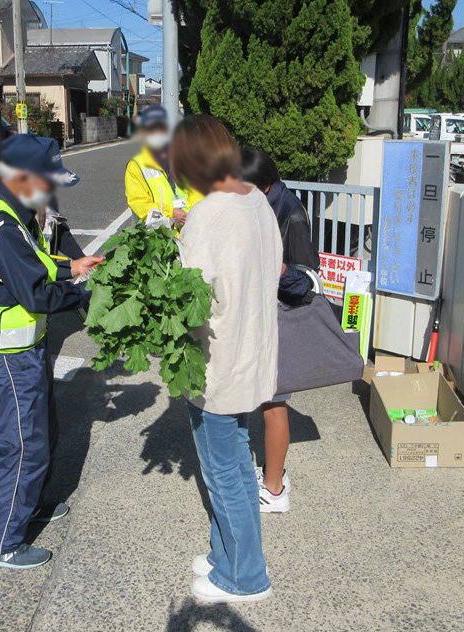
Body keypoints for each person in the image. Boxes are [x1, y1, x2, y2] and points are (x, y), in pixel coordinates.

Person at [0, 134, 103, 569]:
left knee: (43, 430)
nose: (50, 192)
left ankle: (30, 503)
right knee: (24, 445)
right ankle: (0, 544)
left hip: (20, 348)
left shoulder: (12, 211)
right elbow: (36, 292)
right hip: (4, 354)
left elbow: (31, 261)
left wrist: (70, 266)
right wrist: (82, 294)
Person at [173, 116, 282, 603]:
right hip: (252, 352)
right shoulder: (257, 198)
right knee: (238, 461)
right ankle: (226, 556)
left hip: (217, 360)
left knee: (225, 473)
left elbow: (190, 295)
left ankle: (245, 577)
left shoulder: (209, 213)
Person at [240, 147, 322, 514]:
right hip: (263, 315)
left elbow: (307, 280)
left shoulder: (290, 212)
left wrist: (277, 267)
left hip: (279, 319)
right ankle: (271, 478)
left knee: (273, 404)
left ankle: (274, 490)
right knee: (262, 400)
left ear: (265, 185)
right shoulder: (266, 204)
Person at [125, 106, 202, 230]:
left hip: (191, 229)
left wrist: (194, 213)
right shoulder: (137, 166)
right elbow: (139, 203)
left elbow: (197, 191)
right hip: (161, 235)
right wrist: (170, 213)